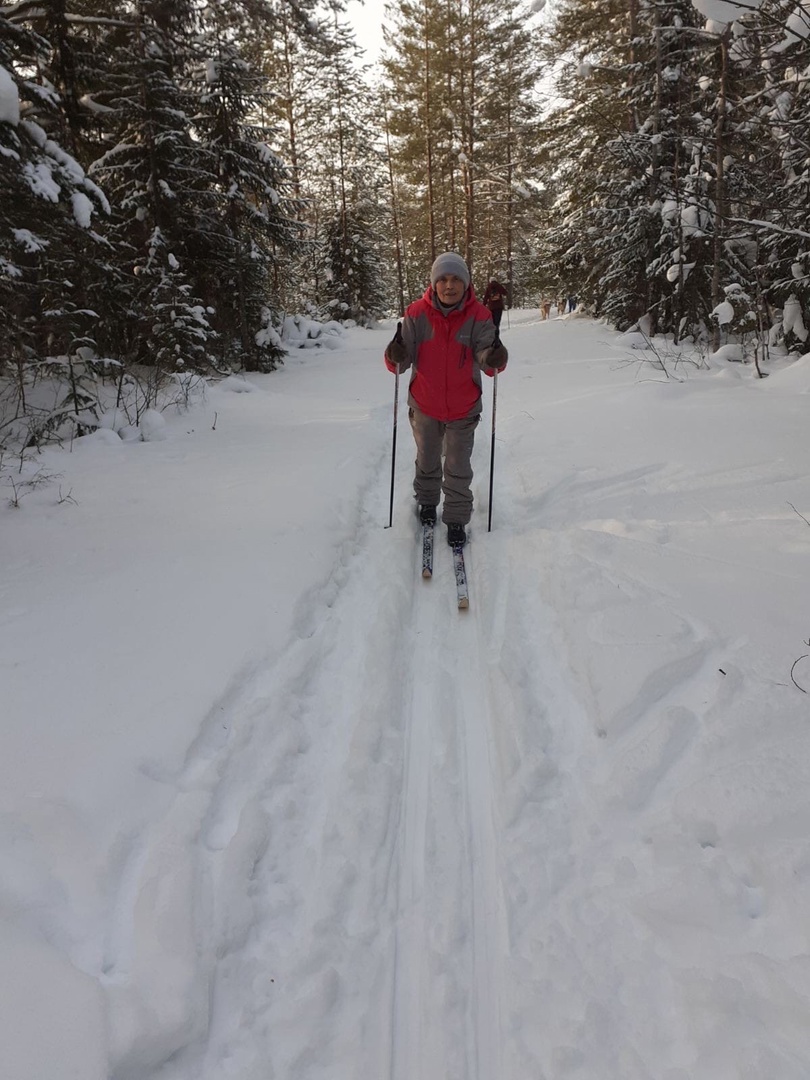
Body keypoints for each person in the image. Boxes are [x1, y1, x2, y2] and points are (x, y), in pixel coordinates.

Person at [384, 252, 507, 548]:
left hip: (464, 408)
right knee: (427, 459)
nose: (449, 286)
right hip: (425, 405)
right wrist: (395, 353)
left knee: (457, 465)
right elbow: (399, 364)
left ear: (465, 284)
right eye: (443, 279)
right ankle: (427, 503)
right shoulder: (416, 314)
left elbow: (489, 364)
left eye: (455, 280)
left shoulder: (479, 316)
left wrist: (494, 357)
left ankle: (456, 517)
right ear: (433, 283)